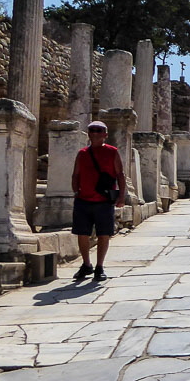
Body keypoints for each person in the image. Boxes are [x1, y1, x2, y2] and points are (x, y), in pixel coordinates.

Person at [70, 121, 125, 282]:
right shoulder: (82, 153)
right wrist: (76, 191)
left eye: (98, 130)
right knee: (82, 233)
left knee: (103, 234)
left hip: (104, 200)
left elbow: (120, 174)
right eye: (92, 130)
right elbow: (76, 174)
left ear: (105, 135)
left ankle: (99, 266)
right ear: (88, 134)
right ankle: (86, 264)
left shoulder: (112, 152)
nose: (95, 133)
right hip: (83, 199)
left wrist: (122, 196)